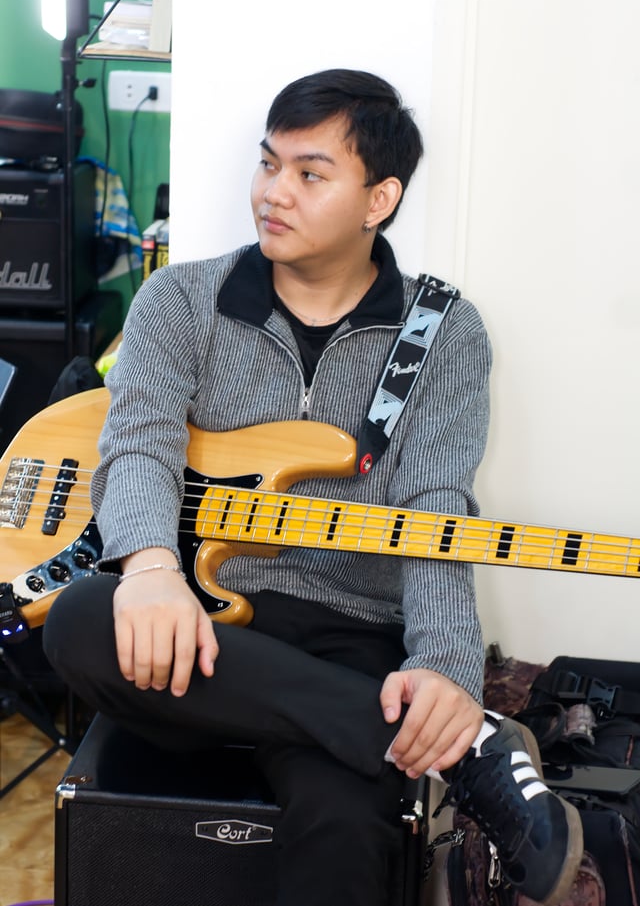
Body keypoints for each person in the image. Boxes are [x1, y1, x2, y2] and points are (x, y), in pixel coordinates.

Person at [43, 68, 582, 906]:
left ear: (379, 199)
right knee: (81, 619)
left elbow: (436, 506)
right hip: (201, 632)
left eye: (309, 173)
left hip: (352, 634)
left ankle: (424, 729)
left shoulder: (444, 332)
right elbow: (139, 441)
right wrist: (149, 567)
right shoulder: (179, 298)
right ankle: (468, 751)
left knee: (349, 823)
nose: (273, 192)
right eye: (268, 163)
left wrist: (443, 670)